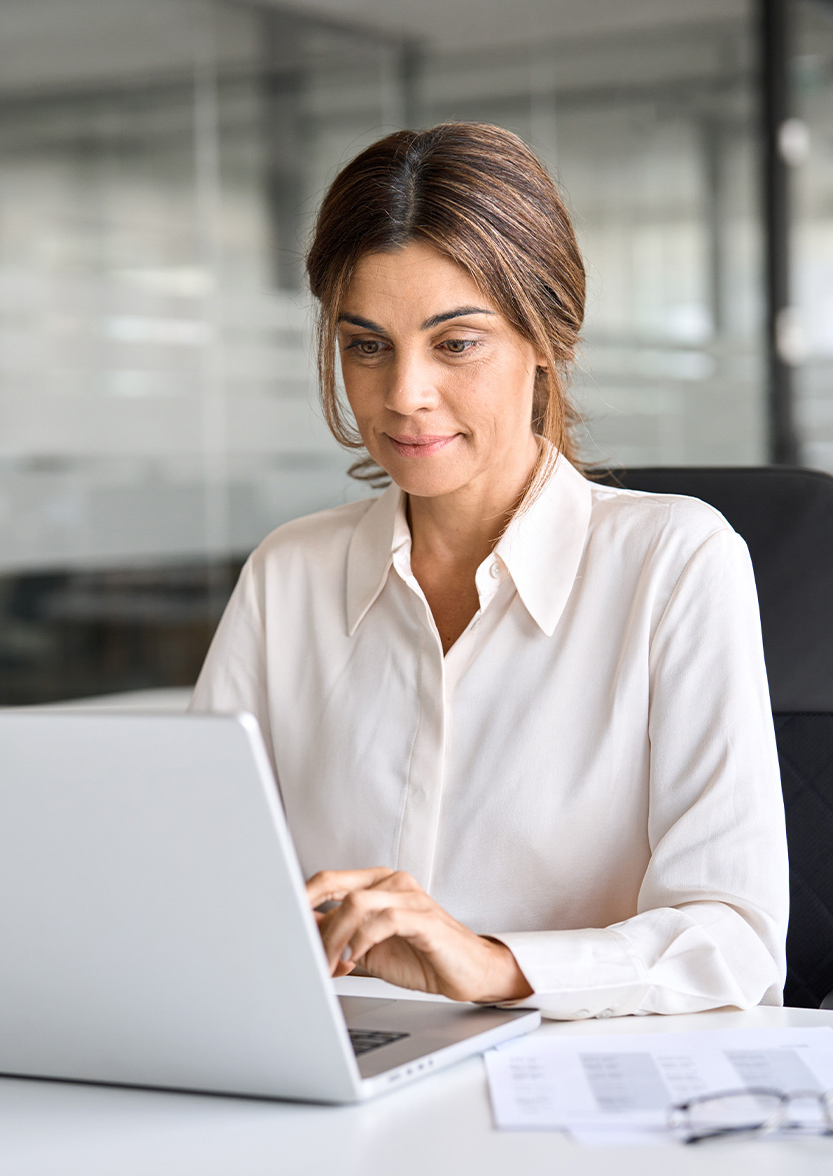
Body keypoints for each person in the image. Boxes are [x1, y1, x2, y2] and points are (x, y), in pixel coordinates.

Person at [189, 122, 787, 1020]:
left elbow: (733, 941)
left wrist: (497, 965)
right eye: (367, 344)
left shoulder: (676, 563)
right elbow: (194, 875)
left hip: (585, 1088)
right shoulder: (289, 575)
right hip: (336, 1071)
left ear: (545, 338)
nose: (404, 394)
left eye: (456, 342)